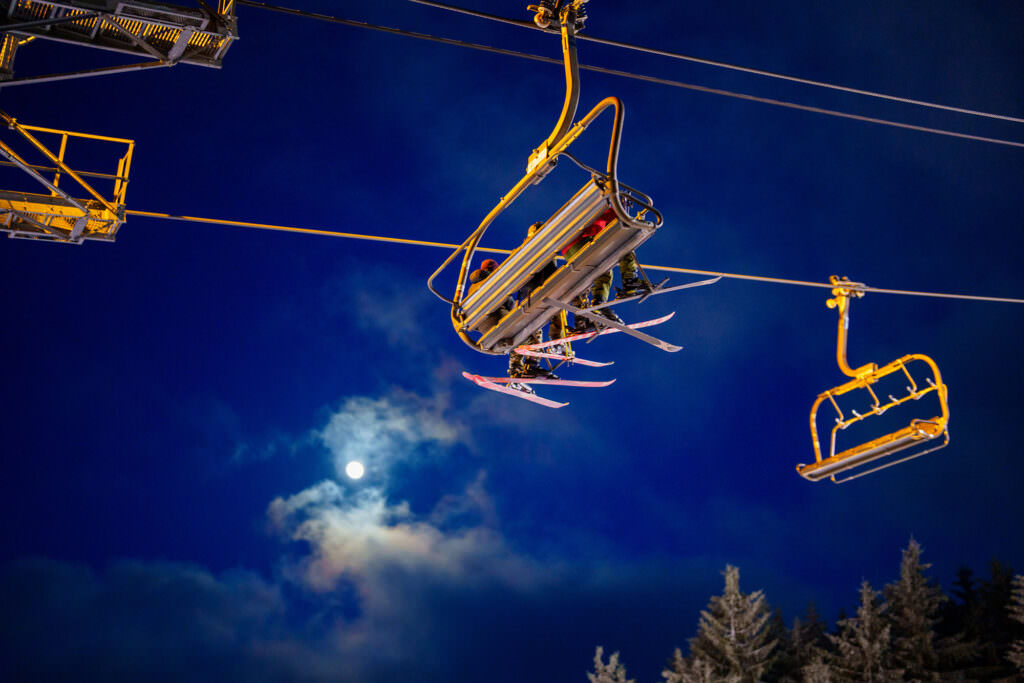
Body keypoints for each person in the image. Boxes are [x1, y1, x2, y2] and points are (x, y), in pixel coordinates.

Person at [561, 206, 649, 333]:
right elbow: (621, 225)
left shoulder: (590, 212)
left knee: (603, 272)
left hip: (570, 253)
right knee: (624, 243)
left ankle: (598, 305)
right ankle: (630, 280)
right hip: (584, 242)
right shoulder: (610, 209)